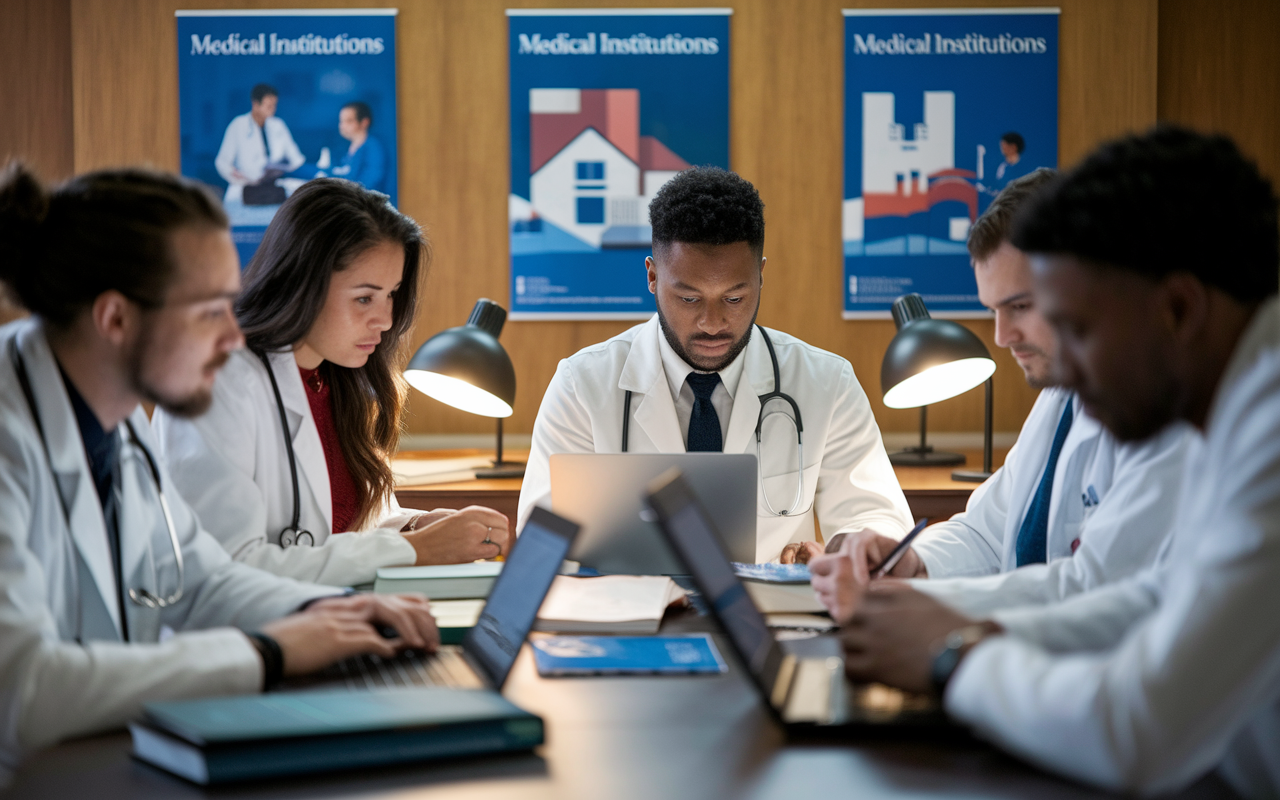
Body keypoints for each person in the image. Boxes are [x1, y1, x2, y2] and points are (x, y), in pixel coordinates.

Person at [813, 127, 1280, 795]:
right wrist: (927, 607)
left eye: (1079, 329)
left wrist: (952, 655)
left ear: (1178, 308)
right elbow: (1153, 598)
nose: (1065, 362)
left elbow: (1136, 728)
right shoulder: (1235, 401)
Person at [0, 164, 440, 781]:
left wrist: (327, 610)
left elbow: (198, 578)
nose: (235, 333)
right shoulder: (9, 434)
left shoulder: (115, 420)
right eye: (210, 310)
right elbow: (22, 691)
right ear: (116, 319)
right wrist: (268, 650)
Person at [819, 169, 1193, 619]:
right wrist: (911, 561)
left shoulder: (1174, 419)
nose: (1001, 336)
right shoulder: (1060, 399)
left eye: (1020, 306)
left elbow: (1094, 590)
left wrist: (919, 602)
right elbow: (986, 534)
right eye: (993, 310)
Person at [518, 167, 913, 563]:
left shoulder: (827, 384)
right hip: (631, 618)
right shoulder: (581, 385)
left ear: (760, 275)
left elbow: (876, 517)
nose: (713, 323)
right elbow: (541, 545)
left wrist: (844, 551)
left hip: (774, 617)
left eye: (735, 298)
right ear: (653, 276)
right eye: (689, 299)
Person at [155, 178, 509, 586]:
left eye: (392, 295)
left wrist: (414, 528)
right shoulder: (216, 382)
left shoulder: (337, 378)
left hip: (334, 618)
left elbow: (342, 531)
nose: (386, 320)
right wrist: (417, 551)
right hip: (248, 638)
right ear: (302, 282)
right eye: (364, 298)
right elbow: (225, 567)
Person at [214, 83, 306, 204]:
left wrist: (286, 171)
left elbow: (296, 159)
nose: (273, 110)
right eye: (268, 106)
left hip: (272, 191)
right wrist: (242, 178)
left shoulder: (278, 125)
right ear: (256, 104)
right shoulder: (238, 125)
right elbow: (222, 163)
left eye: (274, 105)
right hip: (245, 190)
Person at [329, 101, 387, 193]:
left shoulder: (373, 147)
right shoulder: (345, 147)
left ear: (364, 122)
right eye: (341, 121)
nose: (343, 126)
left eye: (349, 121)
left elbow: (373, 178)